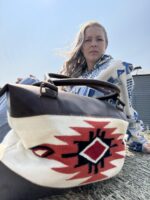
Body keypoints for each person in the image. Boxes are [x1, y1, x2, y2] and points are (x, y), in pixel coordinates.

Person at [59, 21, 150, 153]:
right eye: (87, 40)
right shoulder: (77, 76)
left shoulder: (118, 68)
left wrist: (138, 142)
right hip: (69, 135)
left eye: (99, 39)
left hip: (99, 140)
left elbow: (128, 108)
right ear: (81, 46)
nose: (93, 43)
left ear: (106, 44)